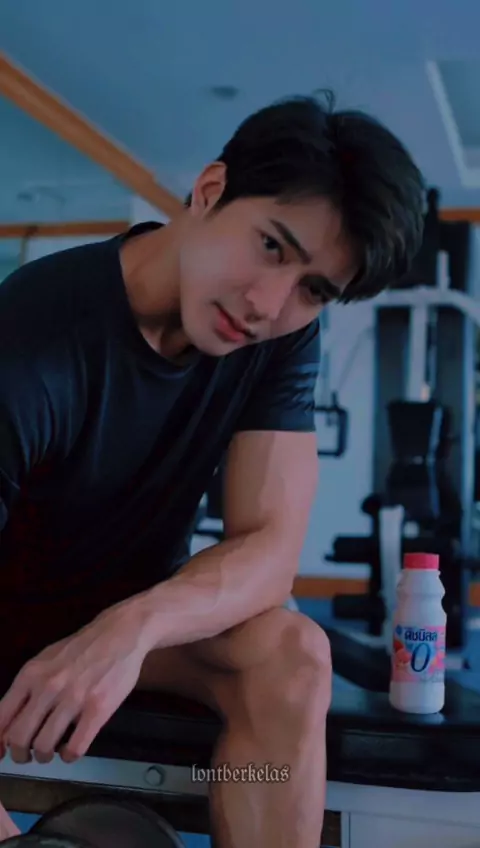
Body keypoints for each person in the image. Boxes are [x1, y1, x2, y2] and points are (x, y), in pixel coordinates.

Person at [0, 93, 424, 847]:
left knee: (294, 653)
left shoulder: (280, 337)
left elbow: (270, 547)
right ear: (209, 190)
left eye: (314, 290)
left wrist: (130, 628)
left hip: (127, 627)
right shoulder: (31, 340)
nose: (268, 304)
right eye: (271, 246)